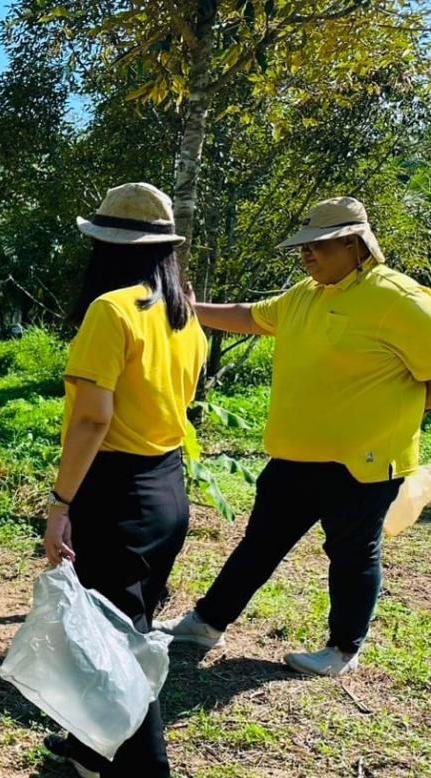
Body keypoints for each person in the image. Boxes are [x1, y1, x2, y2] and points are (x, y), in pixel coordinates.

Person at [159, 197, 431, 677]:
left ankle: (343, 649)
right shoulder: (306, 294)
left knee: (352, 555)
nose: (306, 254)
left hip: (363, 462)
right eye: (303, 246)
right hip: (295, 456)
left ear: (355, 245)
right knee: (260, 542)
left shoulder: (399, 300)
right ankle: (206, 623)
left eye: (318, 246)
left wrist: (399, 407)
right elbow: (251, 316)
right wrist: (190, 308)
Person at [41, 183, 206, 778]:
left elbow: (92, 418)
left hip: (116, 491)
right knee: (116, 626)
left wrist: (60, 503)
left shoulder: (110, 312)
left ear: (105, 247)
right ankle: (91, 748)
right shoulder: (182, 314)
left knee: (118, 648)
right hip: (166, 486)